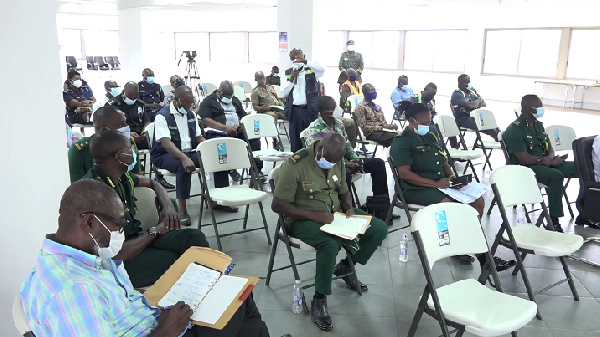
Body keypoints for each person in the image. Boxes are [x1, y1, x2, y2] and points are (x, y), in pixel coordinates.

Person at [20, 179, 270, 337]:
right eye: (118, 223)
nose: (122, 230)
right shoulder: (74, 291)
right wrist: (165, 331)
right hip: (163, 331)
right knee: (240, 304)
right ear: (89, 222)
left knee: (239, 296)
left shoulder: (72, 257)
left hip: (153, 319)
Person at [272, 133, 388, 332]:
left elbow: (343, 190)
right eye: (329, 159)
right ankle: (320, 298)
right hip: (302, 218)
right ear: (320, 149)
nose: (331, 164)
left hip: (336, 213)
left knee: (378, 229)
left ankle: (345, 267)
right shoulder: (296, 163)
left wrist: (349, 207)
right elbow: (277, 204)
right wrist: (313, 215)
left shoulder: (338, 161)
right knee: (330, 243)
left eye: (335, 161)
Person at [390, 103, 515, 270]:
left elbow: (443, 162)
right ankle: (486, 259)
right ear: (412, 121)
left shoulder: (430, 137)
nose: (429, 126)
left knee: (477, 201)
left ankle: (461, 241)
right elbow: (405, 174)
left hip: (440, 184)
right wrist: (435, 183)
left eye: (430, 122)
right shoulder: (402, 142)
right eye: (425, 123)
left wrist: (453, 178)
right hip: (416, 189)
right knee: (455, 209)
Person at [84, 130, 209, 286]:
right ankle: (203, 289)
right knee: (175, 261)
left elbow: (152, 182)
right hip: (116, 262)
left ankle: (213, 283)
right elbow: (114, 254)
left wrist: (168, 205)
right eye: (130, 148)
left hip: (137, 239)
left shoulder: (119, 175)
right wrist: (155, 231)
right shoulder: (96, 195)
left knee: (194, 237)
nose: (134, 151)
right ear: (119, 156)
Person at [303, 96, 399, 221]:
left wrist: (354, 160)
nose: (338, 108)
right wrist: (345, 165)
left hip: (345, 163)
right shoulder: (314, 130)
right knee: (346, 173)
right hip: (329, 167)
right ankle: (350, 211)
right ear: (326, 111)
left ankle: (381, 208)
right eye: (334, 107)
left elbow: (347, 147)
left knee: (378, 164)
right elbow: (320, 159)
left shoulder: (338, 124)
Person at [503, 94, 578, 232]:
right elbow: (523, 158)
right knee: (556, 176)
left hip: (545, 163)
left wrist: (551, 157)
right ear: (527, 108)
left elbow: (549, 147)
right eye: (538, 106)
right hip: (527, 168)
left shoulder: (538, 125)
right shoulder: (515, 129)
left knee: (582, 168)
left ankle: (585, 211)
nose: (542, 109)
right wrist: (545, 161)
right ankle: (553, 221)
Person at [152, 86, 209, 224]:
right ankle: (182, 210)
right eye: (186, 103)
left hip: (188, 152)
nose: (189, 106)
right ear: (176, 100)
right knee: (183, 166)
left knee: (214, 158)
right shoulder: (162, 116)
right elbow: (166, 143)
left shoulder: (191, 115)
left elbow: (197, 138)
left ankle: (218, 200)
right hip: (164, 154)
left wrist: (209, 146)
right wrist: (184, 158)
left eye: (191, 103)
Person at [200, 80, 264, 190]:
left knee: (254, 138)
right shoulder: (208, 101)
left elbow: (243, 116)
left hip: (235, 132)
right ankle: (224, 183)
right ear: (219, 92)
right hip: (218, 133)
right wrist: (226, 128)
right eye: (226, 96)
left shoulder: (234, 100)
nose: (229, 98)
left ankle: (256, 170)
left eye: (231, 96)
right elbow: (205, 120)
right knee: (220, 145)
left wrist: (241, 126)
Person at [68, 106, 141, 183]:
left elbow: (137, 174)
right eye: (120, 125)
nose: (126, 127)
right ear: (104, 130)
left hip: (126, 189)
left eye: (126, 123)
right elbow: (78, 186)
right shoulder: (79, 151)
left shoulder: (129, 144)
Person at [282, 47, 325, 152]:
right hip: (295, 111)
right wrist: (291, 79)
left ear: (303, 57)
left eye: (299, 57)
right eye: (295, 58)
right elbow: (283, 93)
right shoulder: (287, 73)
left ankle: (312, 164)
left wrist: (305, 61)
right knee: (296, 142)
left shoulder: (311, 70)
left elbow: (322, 70)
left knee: (312, 140)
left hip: (310, 110)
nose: (297, 60)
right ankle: (297, 165)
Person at [449, 74, 497, 148]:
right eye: (467, 82)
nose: (469, 83)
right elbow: (471, 105)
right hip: (463, 119)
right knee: (487, 127)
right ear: (461, 83)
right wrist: (478, 100)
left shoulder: (472, 91)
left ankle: (502, 139)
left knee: (493, 125)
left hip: (475, 117)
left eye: (469, 81)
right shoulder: (457, 94)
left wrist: (475, 103)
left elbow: (484, 103)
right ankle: (500, 141)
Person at [107, 81, 151, 150]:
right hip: (122, 137)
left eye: (135, 97)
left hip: (140, 136)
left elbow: (147, 121)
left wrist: (144, 131)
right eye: (130, 97)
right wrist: (129, 134)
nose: (133, 100)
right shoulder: (113, 105)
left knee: (157, 144)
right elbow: (108, 126)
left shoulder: (140, 104)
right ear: (123, 92)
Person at [354, 83, 398, 148]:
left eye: (374, 90)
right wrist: (380, 128)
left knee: (401, 136)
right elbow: (364, 127)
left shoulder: (377, 107)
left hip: (383, 131)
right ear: (365, 93)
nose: (374, 92)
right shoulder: (360, 107)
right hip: (371, 133)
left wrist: (390, 126)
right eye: (371, 90)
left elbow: (383, 123)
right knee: (395, 139)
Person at [251, 71, 287, 149]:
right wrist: (268, 108)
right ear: (256, 80)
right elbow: (255, 107)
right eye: (260, 79)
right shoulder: (255, 91)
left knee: (290, 114)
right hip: (267, 111)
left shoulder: (270, 87)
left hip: (278, 109)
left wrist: (284, 108)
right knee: (272, 116)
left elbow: (278, 99)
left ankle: (294, 135)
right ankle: (275, 139)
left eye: (263, 78)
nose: (262, 80)